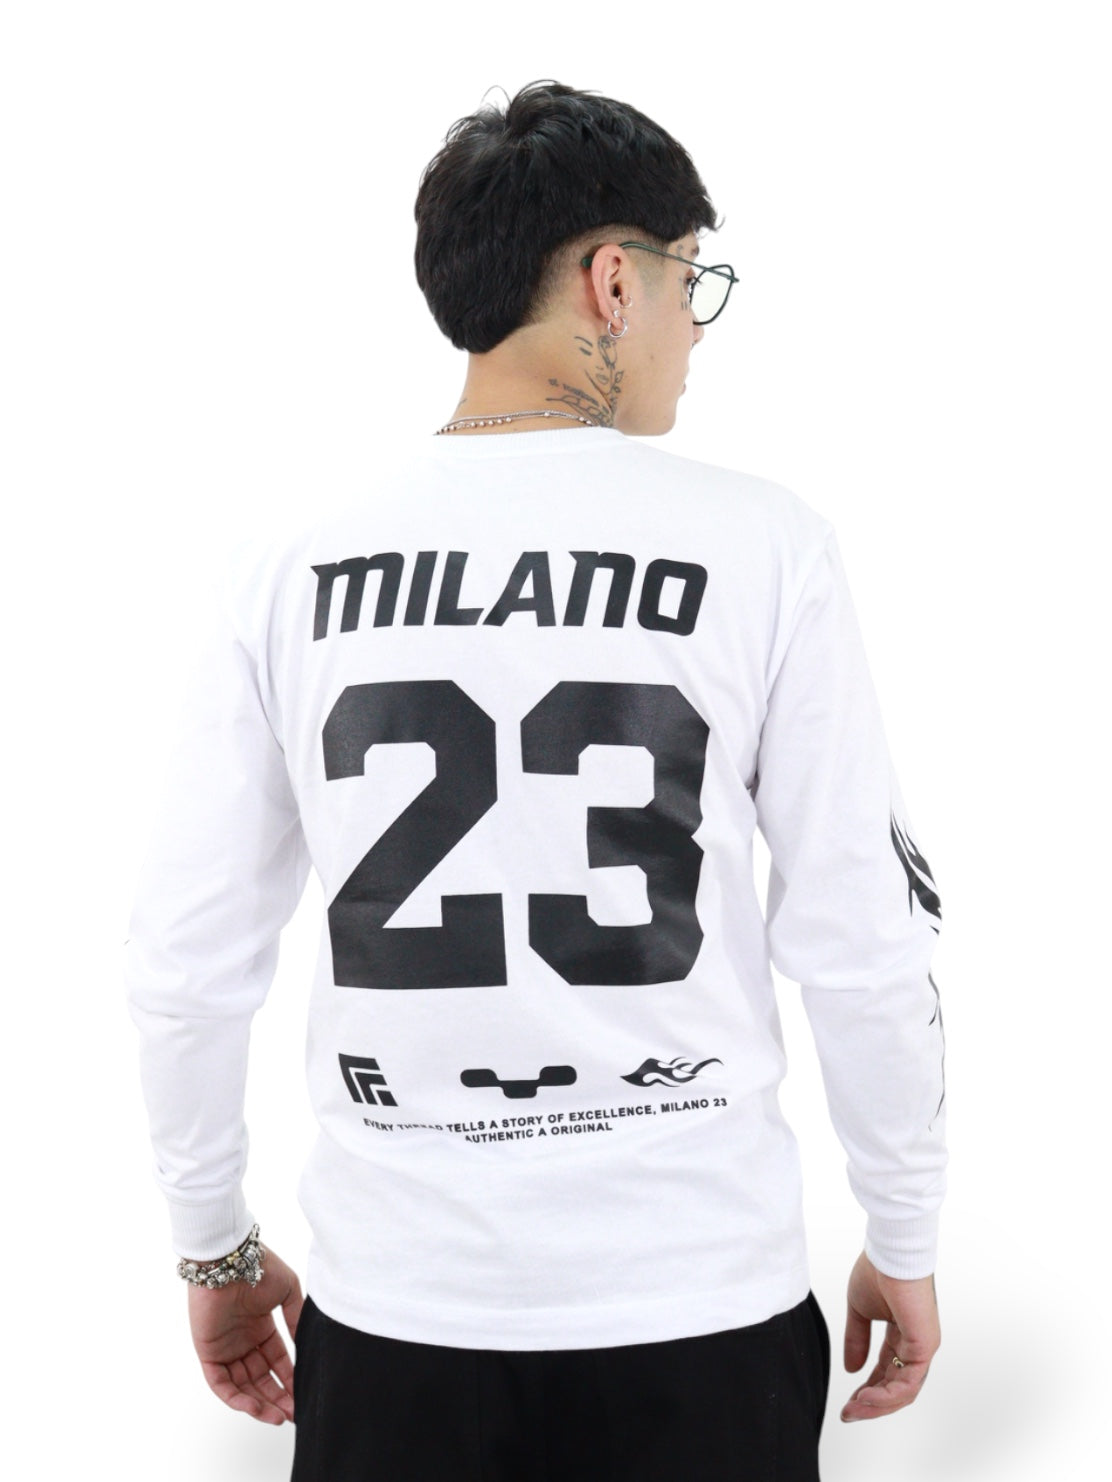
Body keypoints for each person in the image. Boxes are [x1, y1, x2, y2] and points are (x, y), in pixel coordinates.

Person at [125, 80, 946, 1482]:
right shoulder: (767, 547)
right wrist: (906, 1229)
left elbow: (187, 960)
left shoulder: (286, 566)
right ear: (614, 280)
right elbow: (862, 937)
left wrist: (216, 1245)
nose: (698, 327)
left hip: (398, 1319)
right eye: (692, 282)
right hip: (700, 1312)